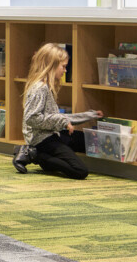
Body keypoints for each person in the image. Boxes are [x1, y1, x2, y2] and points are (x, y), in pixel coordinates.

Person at [14, 43, 100, 178]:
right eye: (63, 66)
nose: (65, 70)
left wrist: (89, 115)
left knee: (90, 141)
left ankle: (46, 158)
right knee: (80, 170)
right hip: (42, 140)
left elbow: (56, 117)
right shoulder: (40, 88)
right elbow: (31, 118)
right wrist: (61, 121)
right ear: (51, 66)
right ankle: (35, 155)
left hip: (53, 133)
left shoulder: (47, 86)